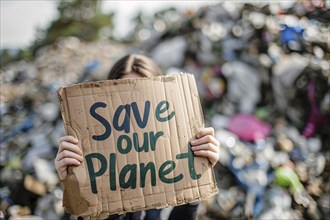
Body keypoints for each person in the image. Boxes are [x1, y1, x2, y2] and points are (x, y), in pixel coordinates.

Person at [55, 54, 220, 220]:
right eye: (123, 94)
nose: (132, 107)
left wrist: (197, 177)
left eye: (141, 95)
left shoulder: (174, 163)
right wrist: (73, 187)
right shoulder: (94, 158)